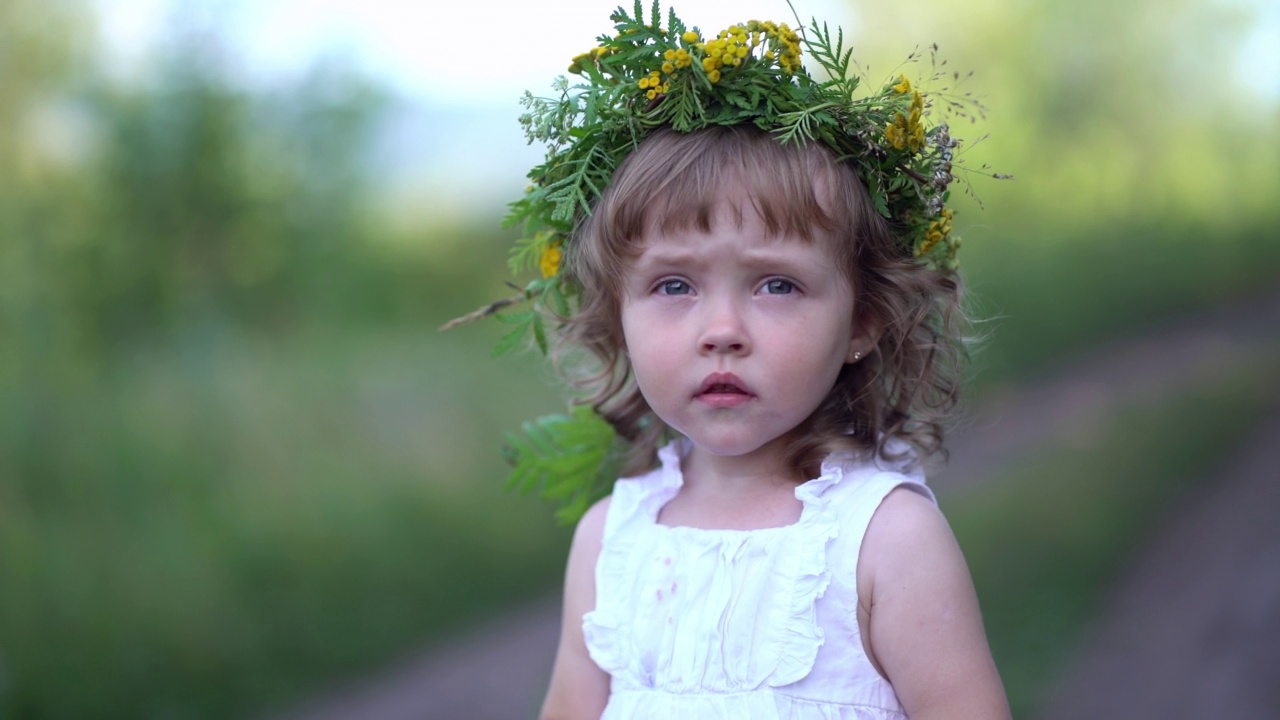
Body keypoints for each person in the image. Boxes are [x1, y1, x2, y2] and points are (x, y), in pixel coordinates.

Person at [446, 5, 1010, 718]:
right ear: (617, 314)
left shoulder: (884, 541)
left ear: (863, 319)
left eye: (778, 285)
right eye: (673, 285)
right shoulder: (610, 543)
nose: (721, 330)